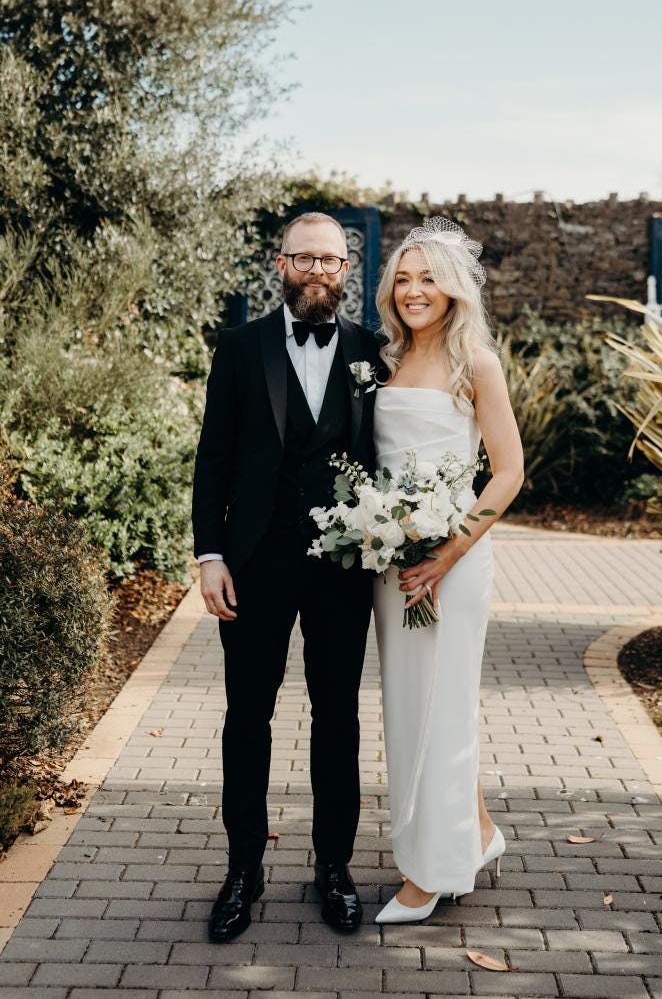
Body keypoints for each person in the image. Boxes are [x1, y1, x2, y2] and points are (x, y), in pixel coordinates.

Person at [192, 211, 380, 942]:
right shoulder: (240, 348)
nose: (318, 272)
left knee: (339, 719)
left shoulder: (372, 350)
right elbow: (213, 457)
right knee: (248, 720)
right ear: (281, 264)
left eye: (331, 261)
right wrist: (211, 555)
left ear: (345, 270)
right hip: (256, 566)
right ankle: (244, 869)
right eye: (305, 259)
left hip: (341, 572)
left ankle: (333, 867)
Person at [372, 216, 524, 923]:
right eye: (402, 278)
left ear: (454, 287)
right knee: (411, 704)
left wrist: (449, 551)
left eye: (428, 276)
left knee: (445, 705)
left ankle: (430, 873)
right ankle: (479, 832)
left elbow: (508, 472)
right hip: (393, 561)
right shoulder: (384, 359)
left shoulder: (476, 363)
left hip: (453, 561)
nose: (414, 290)